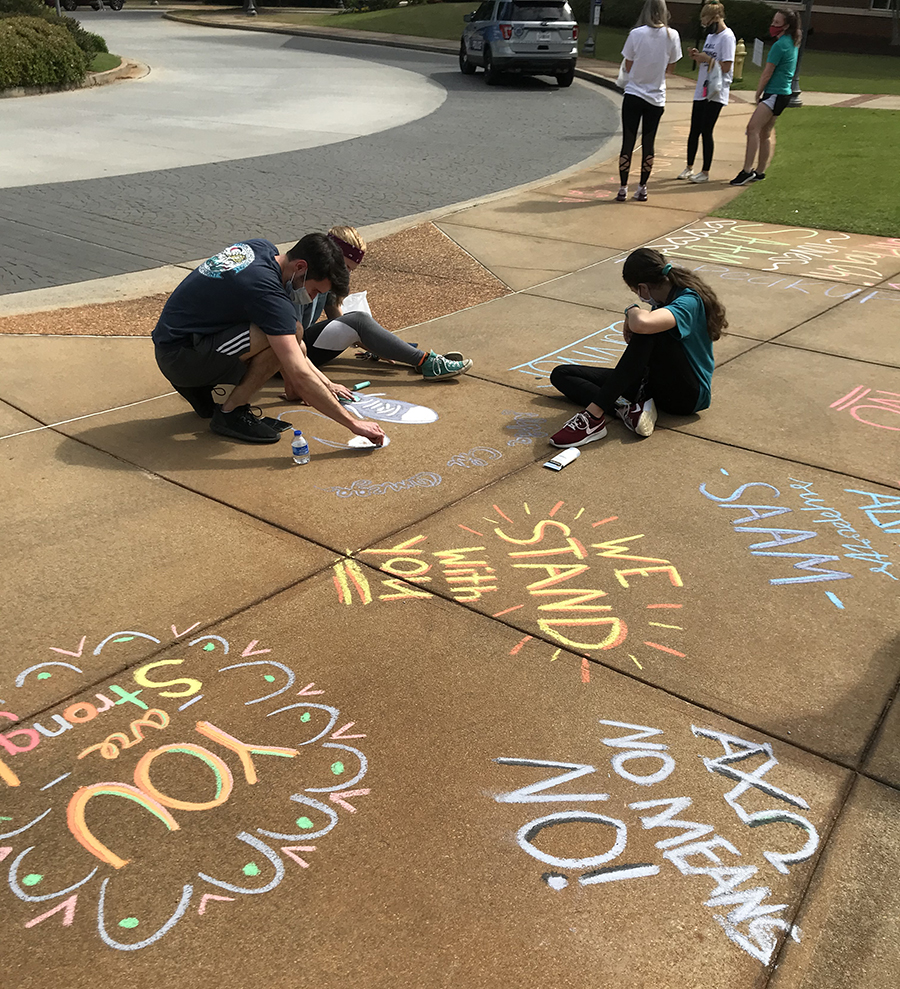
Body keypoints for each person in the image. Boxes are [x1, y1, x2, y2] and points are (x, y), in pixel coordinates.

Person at [152, 233, 385, 446]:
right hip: (180, 359)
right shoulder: (267, 292)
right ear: (300, 267)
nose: (312, 297)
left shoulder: (260, 248)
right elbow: (300, 375)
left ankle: (203, 390)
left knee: (294, 337)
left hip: (180, 342)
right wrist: (354, 424)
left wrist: (319, 381)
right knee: (289, 333)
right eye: (315, 291)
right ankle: (231, 412)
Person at [548, 247, 726, 448]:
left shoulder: (688, 300)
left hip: (687, 396)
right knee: (562, 374)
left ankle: (593, 418)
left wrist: (631, 309)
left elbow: (642, 325)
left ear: (642, 287)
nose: (640, 298)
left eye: (635, 292)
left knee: (648, 331)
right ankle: (626, 410)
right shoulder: (663, 301)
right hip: (651, 385)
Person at [287, 225, 473, 392]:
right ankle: (427, 362)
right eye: (345, 266)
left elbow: (338, 318)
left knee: (361, 325)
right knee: (359, 320)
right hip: (288, 355)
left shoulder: (326, 276)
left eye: (351, 270)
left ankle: (420, 359)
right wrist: (324, 384)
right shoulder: (301, 277)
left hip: (302, 344)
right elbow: (291, 339)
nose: (346, 274)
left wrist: (376, 344)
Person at [617, 0, 682, 203]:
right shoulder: (673, 35)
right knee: (648, 141)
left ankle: (622, 187)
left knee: (628, 141)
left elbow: (628, 63)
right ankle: (643, 187)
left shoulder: (636, 34)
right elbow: (671, 67)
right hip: (656, 96)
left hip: (634, 93)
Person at [730, 8, 801, 186]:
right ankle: (760, 172)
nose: (773, 25)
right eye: (773, 21)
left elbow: (767, 73)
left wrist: (758, 93)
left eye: (777, 23)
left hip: (774, 93)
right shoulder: (792, 42)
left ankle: (747, 170)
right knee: (765, 133)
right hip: (783, 94)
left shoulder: (780, 46)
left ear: (786, 26)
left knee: (752, 128)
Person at [678, 3, 736, 183]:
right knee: (694, 128)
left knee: (706, 129)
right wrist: (699, 56)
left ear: (716, 18)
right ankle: (689, 167)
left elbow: (726, 66)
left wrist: (708, 59)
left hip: (716, 90)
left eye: (706, 21)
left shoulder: (727, 37)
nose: (705, 26)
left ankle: (705, 171)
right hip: (702, 87)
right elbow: (709, 58)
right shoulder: (711, 36)